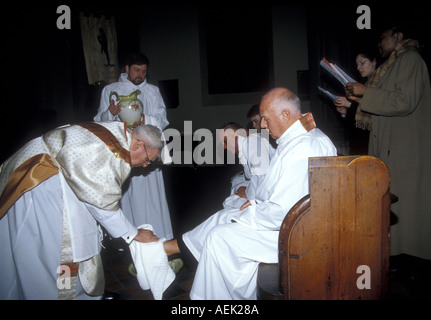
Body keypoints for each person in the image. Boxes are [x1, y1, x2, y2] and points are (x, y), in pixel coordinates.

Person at [163, 88, 337, 299]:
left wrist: (253, 210)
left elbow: (283, 211)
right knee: (225, 222)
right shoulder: (301, 139)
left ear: (285, 115)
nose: (262, 125)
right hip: (296, 224)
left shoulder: (302, 148)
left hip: (297, 234)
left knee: (219, 237)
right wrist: (254, 204)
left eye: (265, 119)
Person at [0, 122, 163, 299]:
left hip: (40, 179)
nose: (146, 165)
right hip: (40, 190)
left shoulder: (117, 131)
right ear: (138, 144)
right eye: (148, 159)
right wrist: (134, 233)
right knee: (50, 255)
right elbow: (103, 203)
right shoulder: (112, 152)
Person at [344, 24, 431, 260]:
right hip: (392, 146)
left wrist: (366, 93)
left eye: (383, 38)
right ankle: (397, 257)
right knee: (392, 207)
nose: (379, 44)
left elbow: (404, 101)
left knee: (406, 209)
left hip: (404, 148)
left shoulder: (409, 59)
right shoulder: (392, 66)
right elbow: (383, 104)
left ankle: (409, 260)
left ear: (398, 36)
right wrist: (358, 99)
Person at [94, 52, 173, 241]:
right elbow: (99, 121)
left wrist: (147, 119)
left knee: (153, 196)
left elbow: (162, 119)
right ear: (127, 69)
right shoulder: (111, 90)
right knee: (128, 195)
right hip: (125, 149)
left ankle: (158, 236)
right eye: (137, 70)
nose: (141, 75)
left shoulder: (152, 91)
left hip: (148, 148)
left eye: (144, 71)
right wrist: (110, 112)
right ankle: (131, 236)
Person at [219, 122, 274, 209]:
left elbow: (261, 177)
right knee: (236, 179)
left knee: (228, 203)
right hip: (259, 190)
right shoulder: (246, 146)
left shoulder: (252, 142)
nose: (224, 147)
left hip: (266, 196)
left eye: (225, 141)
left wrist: (246, 193)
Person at [333, 49, 378, 154]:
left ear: (374, 61)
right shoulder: (366, 83)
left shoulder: (378, 83)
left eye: (362, 63)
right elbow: (359, 120)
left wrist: (349, 104)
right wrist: (346, 112)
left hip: (371, 141)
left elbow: (375, 110)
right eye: (357, 64)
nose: (358, 67)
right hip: (361, 141)